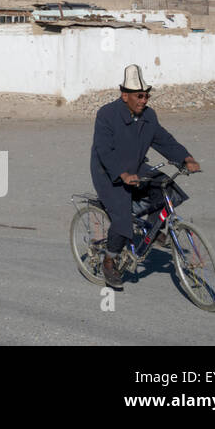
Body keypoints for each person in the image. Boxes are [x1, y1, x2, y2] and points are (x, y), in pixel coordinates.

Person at [89, 64, 200, 288]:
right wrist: (122, 174)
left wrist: (186, 158)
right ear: (125, 95)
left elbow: (163, 139)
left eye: (146, 95)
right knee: (121, 216)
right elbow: (104, 151)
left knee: (166, 190)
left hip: (136, 166)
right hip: (108, 172)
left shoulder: (149, 116)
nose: (144, 100)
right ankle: (109, 261)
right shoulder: (107, 115)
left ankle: (152, 229)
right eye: (139, 96)